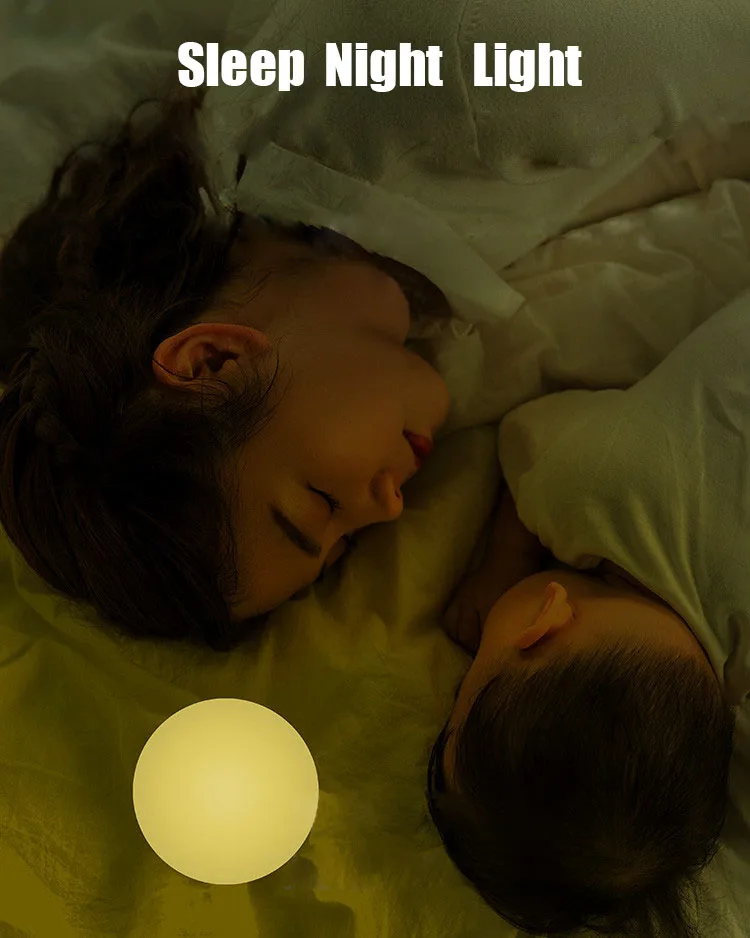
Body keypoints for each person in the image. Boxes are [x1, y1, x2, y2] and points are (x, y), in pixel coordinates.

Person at [0, 91, 450, 650]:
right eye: (345, 545)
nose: (392, 509)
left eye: (323, 503)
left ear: (214, 359)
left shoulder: (409, 95)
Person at [425, 289, 750, 935]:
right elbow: (531, 438)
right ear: (540, 623)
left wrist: (503, 560)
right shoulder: (586, 486)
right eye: (467, 682)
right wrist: (503, 566)